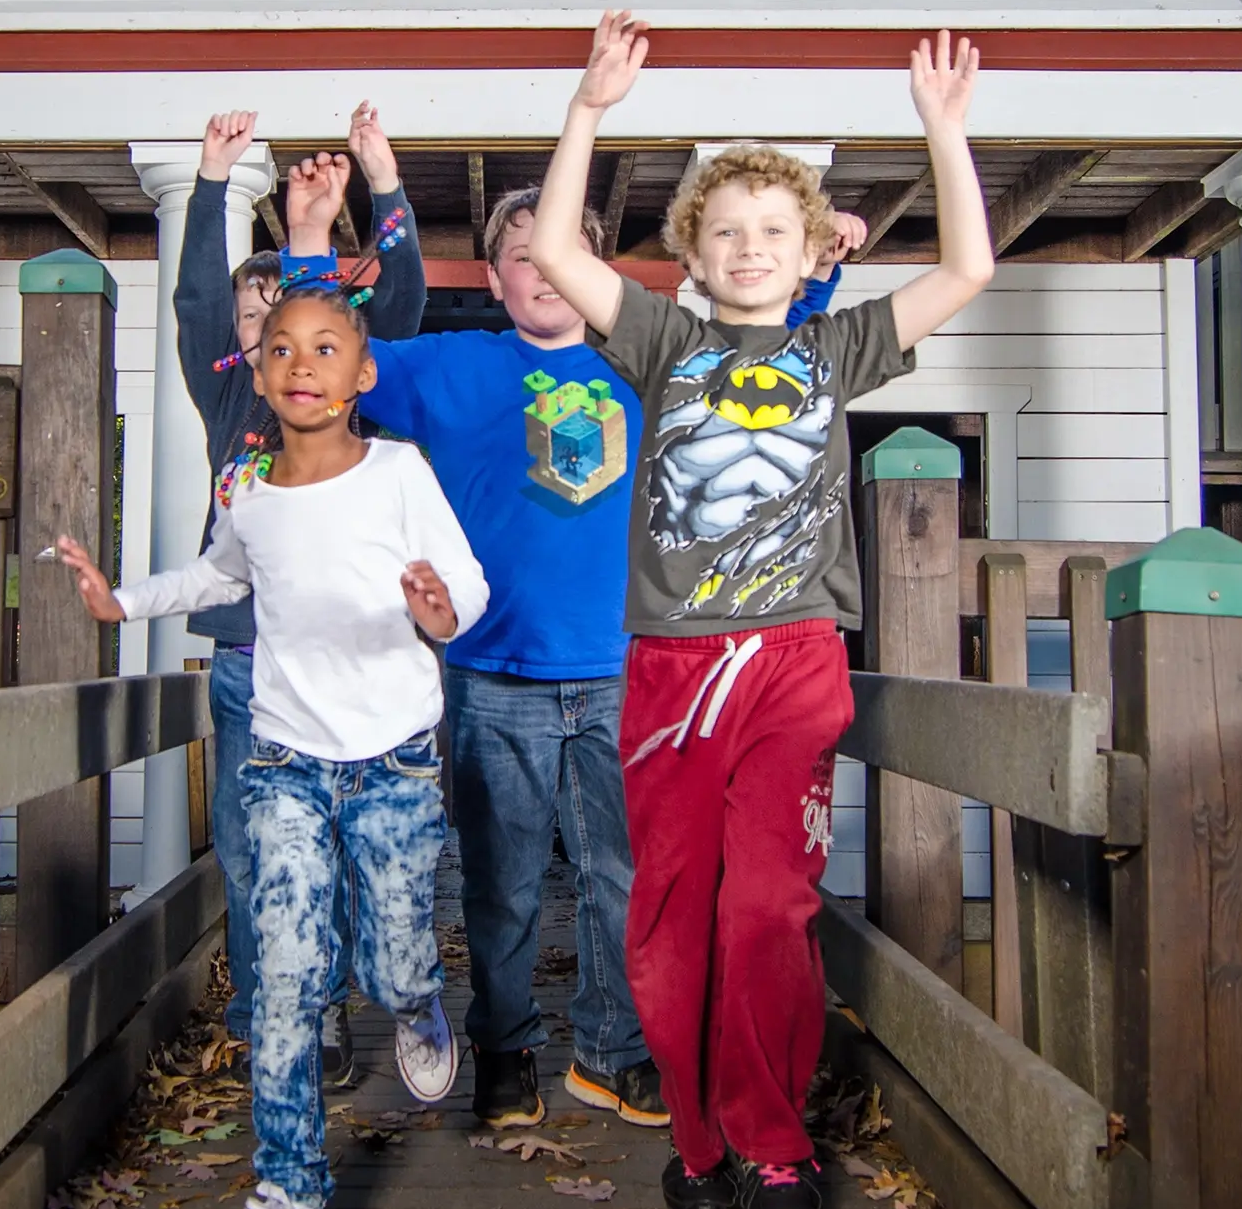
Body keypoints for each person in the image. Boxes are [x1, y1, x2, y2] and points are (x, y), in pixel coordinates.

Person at [525, 11, 995, 1209]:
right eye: (724, 229)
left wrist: (943, 131)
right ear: (694, 248)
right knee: (670, 923)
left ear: (806, 252)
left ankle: (775, 1144)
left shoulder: (836, 348)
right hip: (672, 670)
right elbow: (562, 247)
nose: (747, 247)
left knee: (767, 911)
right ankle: (696, 1133)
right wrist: (587, 108)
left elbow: (966, 275)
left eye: (772, 231)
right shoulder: (663, 341)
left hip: (792, 660)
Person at [354, 187, 865, 1133]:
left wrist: (821, 270)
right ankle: (505, 1051)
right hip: (492, 670)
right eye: (517, 255)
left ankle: (612, 1052)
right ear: (498, 279)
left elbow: (763, 353)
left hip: (628, 667)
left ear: (594, 274)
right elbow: (334, 357)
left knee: (625, 877)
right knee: (499, 884)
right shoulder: (450, 368)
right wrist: (320, 245)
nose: (538, 271)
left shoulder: (652, 360)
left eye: (555, 255)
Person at [56, 284, 486, 1209]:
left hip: (393, 758)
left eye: (326, 347)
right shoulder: (246, 485)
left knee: (389, 955)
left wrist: (441, 609)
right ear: (259, 372)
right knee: (287, 980)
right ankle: (292, 1202)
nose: (302, 362)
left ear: (360, 373)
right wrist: (126, 601)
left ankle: (422, 1005)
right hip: (287, 762)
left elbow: (463, 582)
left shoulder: (399, 471)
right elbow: (217, 576)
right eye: (282, 346)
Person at [175, 107, 424, 1079]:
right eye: (256, 319)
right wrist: (206, 185)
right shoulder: (230, 395)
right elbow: (199, 296)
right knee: (248, 847)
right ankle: (274, 1011)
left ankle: (337, 998)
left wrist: (386, 190)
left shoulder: (354, 392)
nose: (269, 333)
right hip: (248, 655)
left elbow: (398, 300)